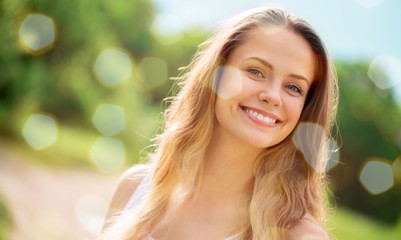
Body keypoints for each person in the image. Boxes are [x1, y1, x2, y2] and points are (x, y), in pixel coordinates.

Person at [100, 6, 338, 240]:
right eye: (256, 71)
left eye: (294, 87)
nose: (273, 96)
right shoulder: (134, 188)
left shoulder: (299, 236)